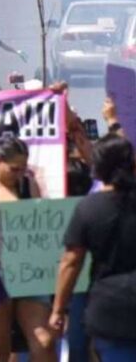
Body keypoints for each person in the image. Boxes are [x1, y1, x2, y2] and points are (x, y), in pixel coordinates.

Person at [51, 136, 136, 360]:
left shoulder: (88, 208)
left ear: (97, 169)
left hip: (110, 312)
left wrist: (58, 309)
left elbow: (71, 262)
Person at [0, 137, 56, 361]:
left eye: (23, 168)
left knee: (43, 341)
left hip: (29, 276)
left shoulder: (28, 185)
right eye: (14, 169)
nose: (19, 174)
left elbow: (39, 226)